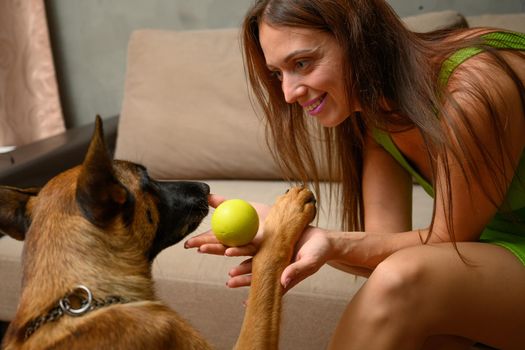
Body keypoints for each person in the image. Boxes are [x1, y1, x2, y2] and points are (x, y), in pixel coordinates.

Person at [185, 0, 525, 348]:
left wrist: (313, 238)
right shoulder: (373, 114)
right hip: (496, 257)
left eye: (302, 63)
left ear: (359, 38)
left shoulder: (473, 87)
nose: (287, 93)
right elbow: (383, 247)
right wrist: (288, 233)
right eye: (278, 74)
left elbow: (443, 247)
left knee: (402, 281)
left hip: (486, 253)